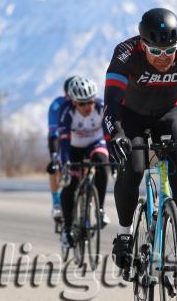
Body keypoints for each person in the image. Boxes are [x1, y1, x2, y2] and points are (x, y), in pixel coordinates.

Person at [104, 8, 177, 295]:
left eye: (169, 50)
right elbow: (110, 104)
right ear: (143, 44)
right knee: (132, 169)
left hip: (168, 115)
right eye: (156, 50)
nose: (164, 57)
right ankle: (124, 234)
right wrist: (117, 134)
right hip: (128, 116)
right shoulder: (125, 53)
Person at [55, 76, 111, 247]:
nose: (87, 107)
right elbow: (63, 143)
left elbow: (110, 135)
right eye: (82, 103)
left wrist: (114, 159)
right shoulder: (66, 112)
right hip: (73, 148)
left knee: (102, 163)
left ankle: (100, 210)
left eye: (90, 102)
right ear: (73, 102)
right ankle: (67, 228)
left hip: (95, 143)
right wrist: (65, 164)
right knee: (70, 183)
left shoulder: (101, 107)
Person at [46, 75, 78, 222]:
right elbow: (53, 134)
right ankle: (57, 202)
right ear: (67, 94)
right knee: (55, 164)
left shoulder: (85, 103)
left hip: (81, 139)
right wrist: (54, 155)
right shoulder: (57, 105)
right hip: (61, 139)